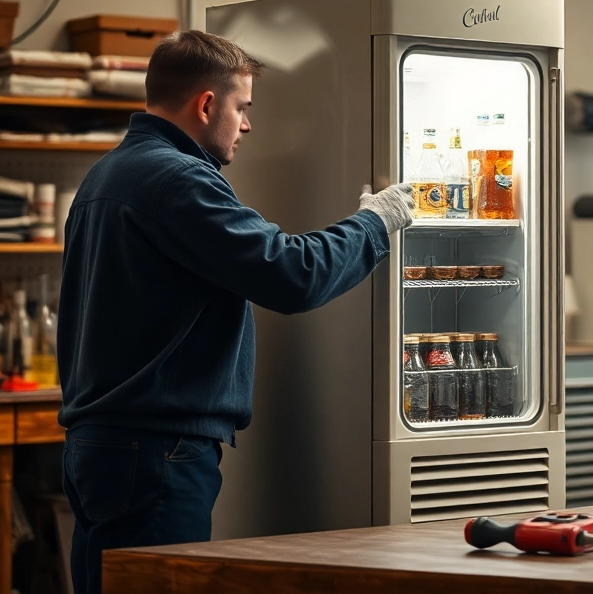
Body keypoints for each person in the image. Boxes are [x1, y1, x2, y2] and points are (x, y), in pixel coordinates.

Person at [56, 30, 414, 594]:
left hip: (105, 446)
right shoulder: (176, 178)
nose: (247, 125)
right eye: (242, 107)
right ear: (206, 104)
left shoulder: (107, 174)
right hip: (156, 455)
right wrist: (376, 221)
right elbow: (292, 273)